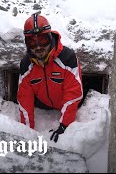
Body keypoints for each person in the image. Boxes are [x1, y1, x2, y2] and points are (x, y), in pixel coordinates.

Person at [17, 12, 83, 143]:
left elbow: (74, 93)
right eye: (32, 42)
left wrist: (64, 125)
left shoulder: (67, 58)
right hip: (44, 105)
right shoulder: (26, 65)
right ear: (27, 43)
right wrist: (27, 132)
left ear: (50, 37)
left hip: (69, 106)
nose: (39, 46)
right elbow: (24, 98)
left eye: (42, 39)